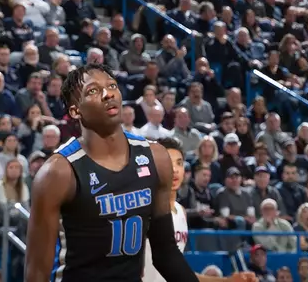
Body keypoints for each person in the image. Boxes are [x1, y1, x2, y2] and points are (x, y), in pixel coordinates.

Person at [24, 66, 205, 282]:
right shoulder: (57, 172)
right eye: (93, 90)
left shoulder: (156, 157)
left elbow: (166, 252)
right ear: (75, 110)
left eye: (112, 86)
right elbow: (36, 274)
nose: (108, 93)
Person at [143, 140, 188, 282]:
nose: (174, 169)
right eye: (169, 162)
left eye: (179, 163)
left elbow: (179, 272)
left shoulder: (181, 211)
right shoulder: (143, 210)